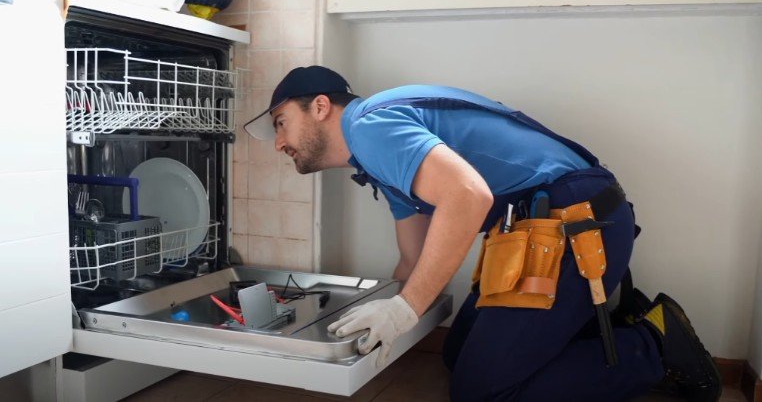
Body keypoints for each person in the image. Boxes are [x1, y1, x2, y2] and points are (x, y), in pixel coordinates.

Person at [244, 66, 722, 402]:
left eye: (281, 123)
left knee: (482, 391)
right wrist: (366, 322)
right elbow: (412, 264)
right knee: (456, 353)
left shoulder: (370, 124)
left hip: (576, 227)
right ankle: (596, 331)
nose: (280, 143)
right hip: (538, 234)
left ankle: (654, 342)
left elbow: (468, 197)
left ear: (322, 106)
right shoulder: (379, 165)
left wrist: (405, 309)